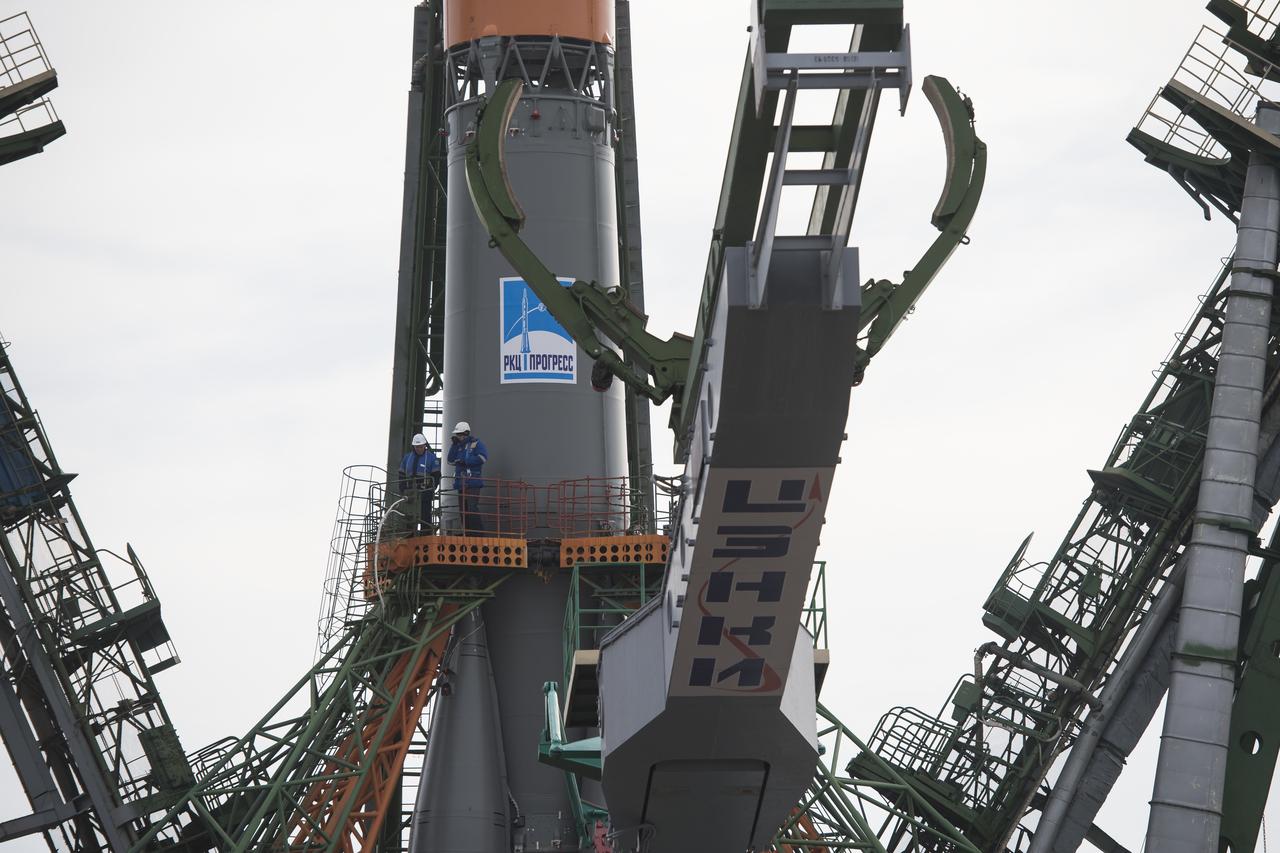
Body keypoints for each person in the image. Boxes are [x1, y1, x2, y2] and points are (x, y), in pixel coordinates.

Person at [447, 421, 488, 535]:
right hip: (461, 483)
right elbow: (450, 460)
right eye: (457, 435)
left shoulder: (476, 444)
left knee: (471, 508)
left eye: (460, 434)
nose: (458, 437)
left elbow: (483, 458)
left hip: (473, 482)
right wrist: (454, 445)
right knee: (463, 511)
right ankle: (468, 534)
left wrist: (466, 461)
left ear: (466, 433)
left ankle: (478, 535)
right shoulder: (457, 447)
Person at [398, 433, 440, 534]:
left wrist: (431, 489)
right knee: (409, 515)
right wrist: (403, 488)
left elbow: (436, 475)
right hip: (410, 491)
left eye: (420, 446)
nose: (418, 449)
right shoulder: (407, 458)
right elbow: (401, 474)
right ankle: (409, 535)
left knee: (425, 515)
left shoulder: (431, 458)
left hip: (425, 490)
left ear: (424, 446)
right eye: (417, 447)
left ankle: (426, 535)